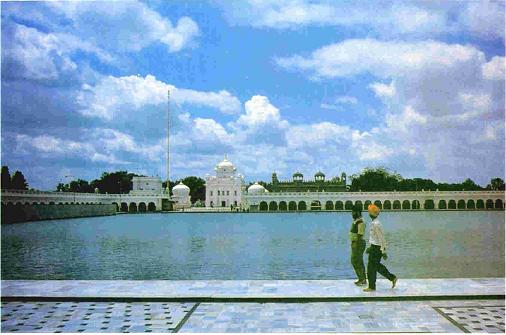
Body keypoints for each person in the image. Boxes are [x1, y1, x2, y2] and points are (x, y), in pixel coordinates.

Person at [363, 204, 397, 292]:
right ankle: (392, 278)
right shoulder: (374, 223)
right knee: (376, 266)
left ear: (371, 213)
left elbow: (381, 238)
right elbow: (374, 238)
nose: (368, 213)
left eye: (369, 212)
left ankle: (372, 286)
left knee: (371, 267)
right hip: (374, 247)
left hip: (377, 248)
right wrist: (370, 247)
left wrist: (383, 250)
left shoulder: (376, 224)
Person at [349, 204, 367, 286]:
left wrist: (356, 244)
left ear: (358, 212)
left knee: (356, 261)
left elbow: (360, 235)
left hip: (358, 243)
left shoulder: (361, 222)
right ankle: (362, 279)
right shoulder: (357, 221)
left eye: (353, 212)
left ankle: (362, 279)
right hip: (355, 243)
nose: (352, 213)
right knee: (358, 261)